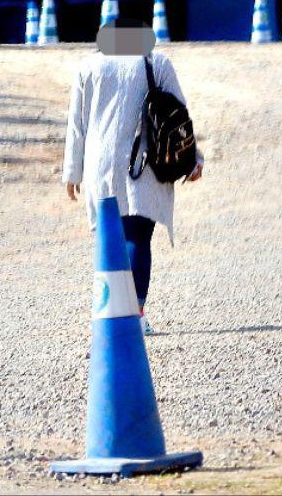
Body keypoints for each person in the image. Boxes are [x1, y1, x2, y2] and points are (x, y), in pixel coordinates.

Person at [62, 20, 203, 335]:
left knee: (109, 240)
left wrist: (71, 171)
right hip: (145, 164)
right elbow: (179, 115)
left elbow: (77, 124)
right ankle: (136, 315)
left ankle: (109, 312)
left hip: (100, 166)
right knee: (138, 238)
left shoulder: (88, 66)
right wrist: (194, 159)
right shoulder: (156, 62)